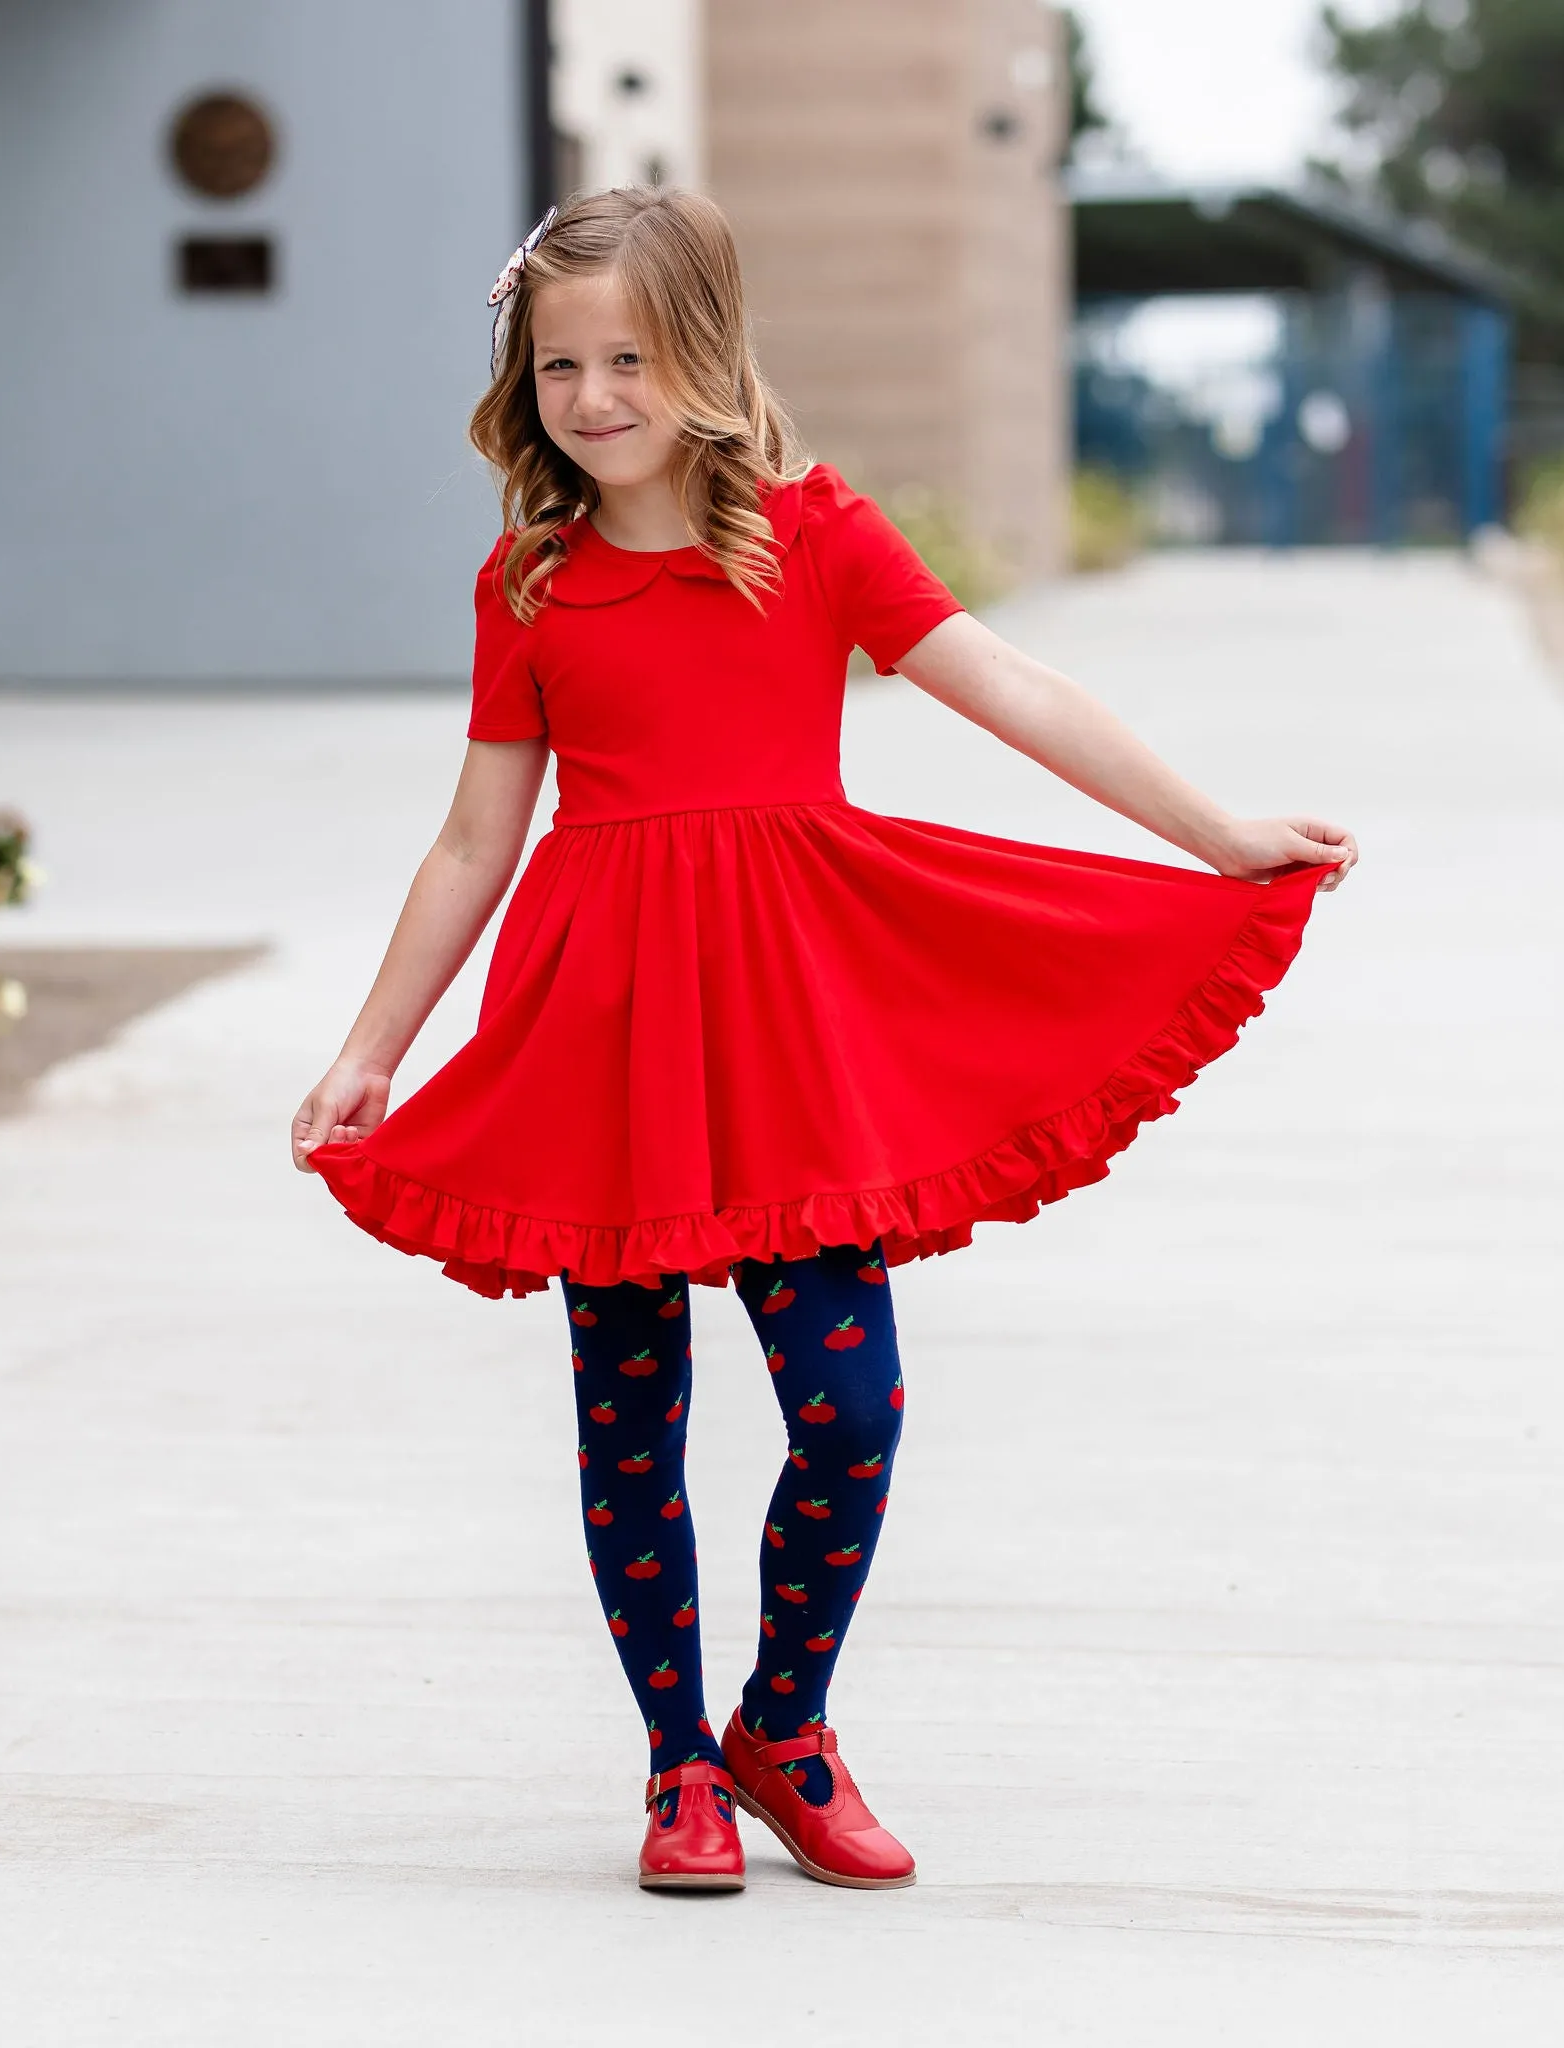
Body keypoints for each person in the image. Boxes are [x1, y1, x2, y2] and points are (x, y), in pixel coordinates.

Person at [292, 187, 1356, 1896]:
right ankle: (673, 1772)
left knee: (849, 1408)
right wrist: (372, 1050)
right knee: (628, 1414)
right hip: (604, 1028)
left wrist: (1215, 834)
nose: (594, 393)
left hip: (788, 1026)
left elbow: (1009, 683)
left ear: (704, 352)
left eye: (630, 354)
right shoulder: (530, 582)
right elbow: (476, 841)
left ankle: (783, 1729)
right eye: (558, 362)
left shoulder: (812, 534)